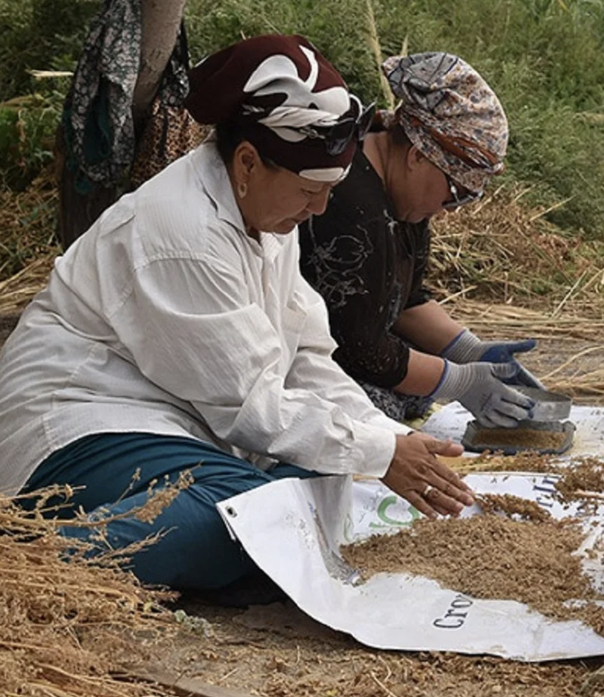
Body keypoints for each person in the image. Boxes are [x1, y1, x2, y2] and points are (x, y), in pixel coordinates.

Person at [0, 35, 472, 595]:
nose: (318, 208)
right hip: (83, 423)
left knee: (308, 495)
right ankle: (32, 566)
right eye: (309, 189)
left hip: (181, 424)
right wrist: (383, 451)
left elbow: (307, 358)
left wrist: (388, 439)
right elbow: (253, 407)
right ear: (248, 161)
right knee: (254, 519)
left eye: (330, 190)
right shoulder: (184, 232)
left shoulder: (268, 216)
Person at [298, 52, 542, 429]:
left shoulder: (404, 198)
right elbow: (362, 349)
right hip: (307, 362)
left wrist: (469, 351)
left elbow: (407, 301)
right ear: (417, 155)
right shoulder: (348, 204)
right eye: (456, 191)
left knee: (417, 385)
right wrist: (459, 381)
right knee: (372, 411)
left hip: (362, 348)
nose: (453, 207)